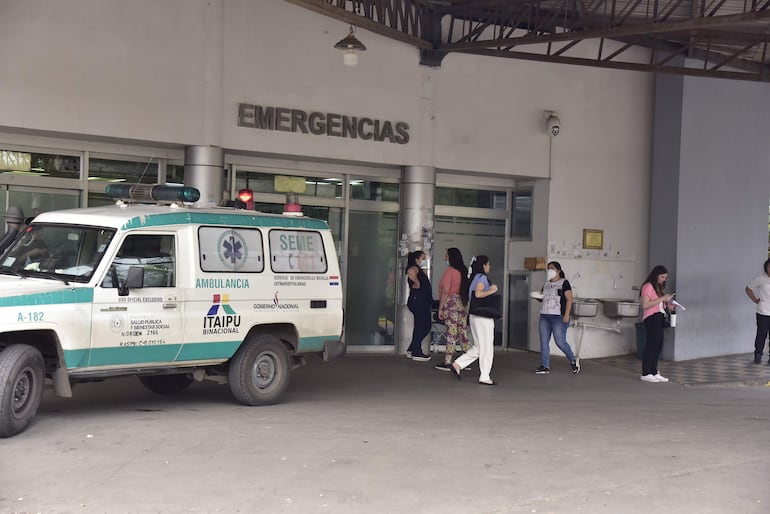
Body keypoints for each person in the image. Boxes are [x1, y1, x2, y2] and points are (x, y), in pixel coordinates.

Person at [450, 255, 498, 385]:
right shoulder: (482, 278)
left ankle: (458, 364)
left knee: (479, 346)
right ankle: (485, 376)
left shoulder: (473, 278)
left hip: (474, 315)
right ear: (483, 265)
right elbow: (478, 294)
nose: (489, 266)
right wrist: (492, 290)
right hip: (484, 316)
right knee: (487, 347)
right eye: (488, 264)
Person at [535, 261, 580, 374]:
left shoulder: (564, 283)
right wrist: (536, 296)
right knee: (544, 342)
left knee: (560, 341)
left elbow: (569, 299)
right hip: (545, 316)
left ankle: (573, 360)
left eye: (552, 268)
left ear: (558, 271)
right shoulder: (546, 284)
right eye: (548, 268)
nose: (550, 270)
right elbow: (542, 297)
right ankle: (545, 366)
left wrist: (566, 315)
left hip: (558, 317)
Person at [434, 247, 470, 371]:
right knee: (463, 333)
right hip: (463, 303)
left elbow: (445, 290)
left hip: (451, 304)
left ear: (450, 257)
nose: (445, 257)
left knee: (451, 333)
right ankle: (465, 361)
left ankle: (448, 362)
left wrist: (441, 307)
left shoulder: (450, 271)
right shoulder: (464, 271)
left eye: (446, 255)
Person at [639, 265, 675, 382]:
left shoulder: (658, 288)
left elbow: (659, 304)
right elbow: (645, 304)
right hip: (651, 318)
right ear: (656, 275)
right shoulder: (648, 286)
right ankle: (646, 372)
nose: (663, 279)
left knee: (659, 344)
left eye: (665, 277)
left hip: (659, 316)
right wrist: (662, 298)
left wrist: (668, 304)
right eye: (662, 276)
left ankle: (654, 371)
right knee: (651, 344)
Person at [405, 250, 432, 362]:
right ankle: (416, 351)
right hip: (419, 301)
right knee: (422, 325)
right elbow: (410, 272)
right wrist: (417, 282)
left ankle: (413, 348)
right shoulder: (414, 267)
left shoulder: (420, 270)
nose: (424, 261)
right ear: (417, 259)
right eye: (423, 258)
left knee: (423, 325)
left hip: (421, 301)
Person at [745, 259, 770, 364]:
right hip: (763, 311)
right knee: (762, 334)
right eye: (769, 267)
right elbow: (748, 288)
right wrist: (755, 299)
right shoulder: (761, 278)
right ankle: (758, 354)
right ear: (766, 267)